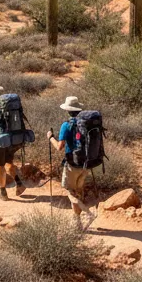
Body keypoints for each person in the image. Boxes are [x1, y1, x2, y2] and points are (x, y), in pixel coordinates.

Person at [48, 96, 95, 228]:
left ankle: (88, 213)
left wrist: (51, 137)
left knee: (69, 191)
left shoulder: (66, 125)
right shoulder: (87, 123)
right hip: (86, 164)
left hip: (72, 164)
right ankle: (77, 222)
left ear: (68, 110)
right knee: (78, 192)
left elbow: (59, 147)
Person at [0, 86, 27, 201]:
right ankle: (19, 183)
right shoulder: (15, 108)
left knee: (0, 166)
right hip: (14, 140)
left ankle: (3, 193)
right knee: (8, 162)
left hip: (1, 141)